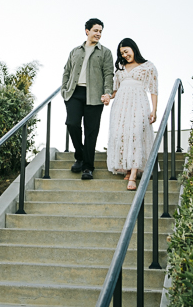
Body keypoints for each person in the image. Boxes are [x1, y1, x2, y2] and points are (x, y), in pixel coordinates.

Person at [61, 19, 115, 180]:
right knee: (72, 124)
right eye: (95, 30)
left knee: (91, 132)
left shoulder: (105, 52)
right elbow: (66, 70)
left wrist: (107, 93)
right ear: (87, 31)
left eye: (100, 31)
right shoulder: (75, 51)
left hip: (95, 95)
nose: (98, 34)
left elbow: (108, 74)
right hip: (74, 93)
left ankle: (87, 167)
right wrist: (64, 89)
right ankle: (80, 155)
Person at [105, 38, 158, 190]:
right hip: (121, 105)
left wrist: (154, 110)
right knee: (121, 134)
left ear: (134, 48)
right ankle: (127, 168)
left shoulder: (148, 66)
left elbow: (154, 90)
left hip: (139, 103)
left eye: (126, 51)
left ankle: (133, 175)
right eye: (122, 53)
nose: (125, 55)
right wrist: (108, 96)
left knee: (136, 134)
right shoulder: (120, 68)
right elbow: (115, 91)